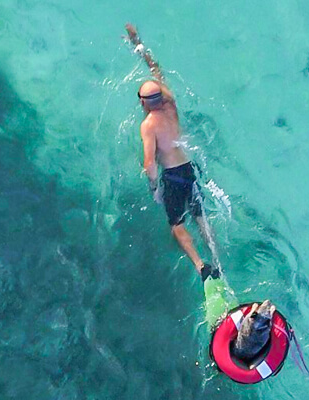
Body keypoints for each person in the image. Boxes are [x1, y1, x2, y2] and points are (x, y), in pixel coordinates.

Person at [125, 23, 219, 281]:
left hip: (173, 176)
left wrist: (155, 188)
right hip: (189, 167)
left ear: (143, 103)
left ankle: (201, 266)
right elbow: (156, 69)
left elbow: (149, 163)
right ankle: (216, 256)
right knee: (200, 216)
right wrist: (138, 45)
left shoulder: (148, 125)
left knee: (177, 225)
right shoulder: (170, 101)